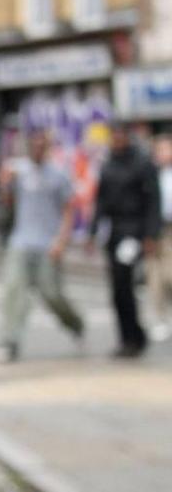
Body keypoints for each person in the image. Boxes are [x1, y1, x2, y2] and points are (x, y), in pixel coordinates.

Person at [0, 131, 84, 362]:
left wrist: (61, 241)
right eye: (34, 145)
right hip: (21, 241)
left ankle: (75, 323)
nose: (38, 149)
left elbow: (69, 210)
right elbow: (6, 202)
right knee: (14, 290)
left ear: (48, 147)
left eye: (42, 145)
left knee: (52, 294)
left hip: (47, 244)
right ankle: (9, 341)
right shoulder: (18, 170)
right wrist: (4, 184)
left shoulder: (59, 175)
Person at [88, 123, 160, 358]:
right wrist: (92, 231)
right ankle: (129, 336)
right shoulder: (108, 165)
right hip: (115, 232)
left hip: (134, 231)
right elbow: (100, 201)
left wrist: (151, 234)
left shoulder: (142, 163)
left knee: (125, 282)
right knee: (117, 289)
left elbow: (153, 202)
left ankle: (134, 337)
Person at [146, 134, 172, 341]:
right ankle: (161, 318)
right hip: (155, 230)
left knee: (169, 275)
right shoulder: (149, 174)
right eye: (161, 150)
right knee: (155, 278)